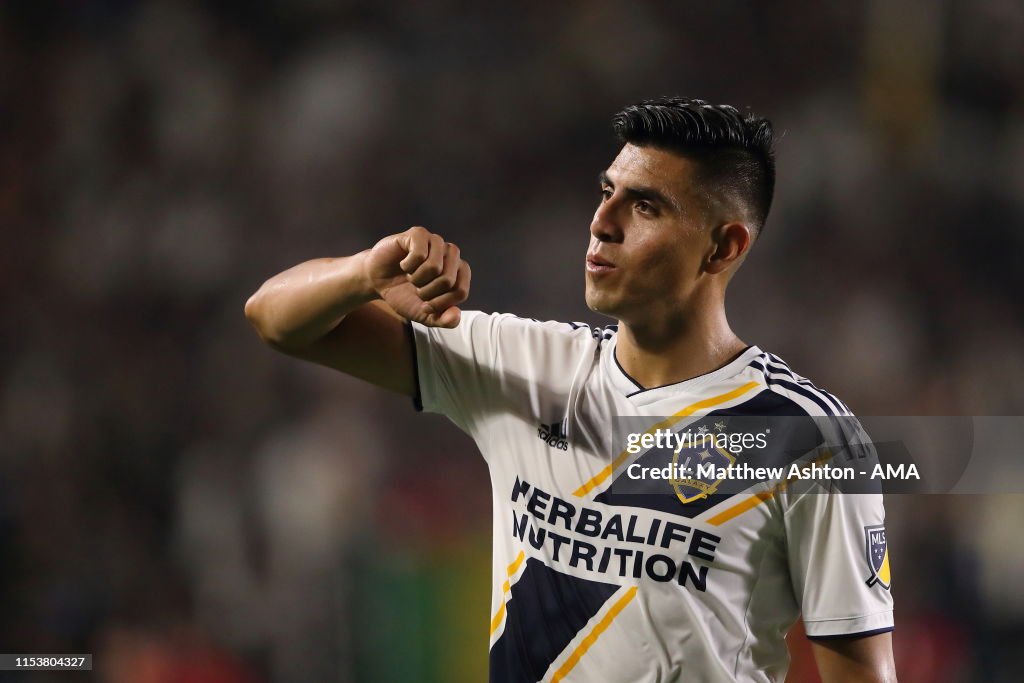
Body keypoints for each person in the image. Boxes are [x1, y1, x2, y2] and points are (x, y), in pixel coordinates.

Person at [244, 97, 896, 683]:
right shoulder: (521, 361)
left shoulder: (807, 436)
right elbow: (276, 319)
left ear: (723, 246)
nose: (601, 222)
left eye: (645, 205)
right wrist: (365, 271)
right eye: (606, 192)